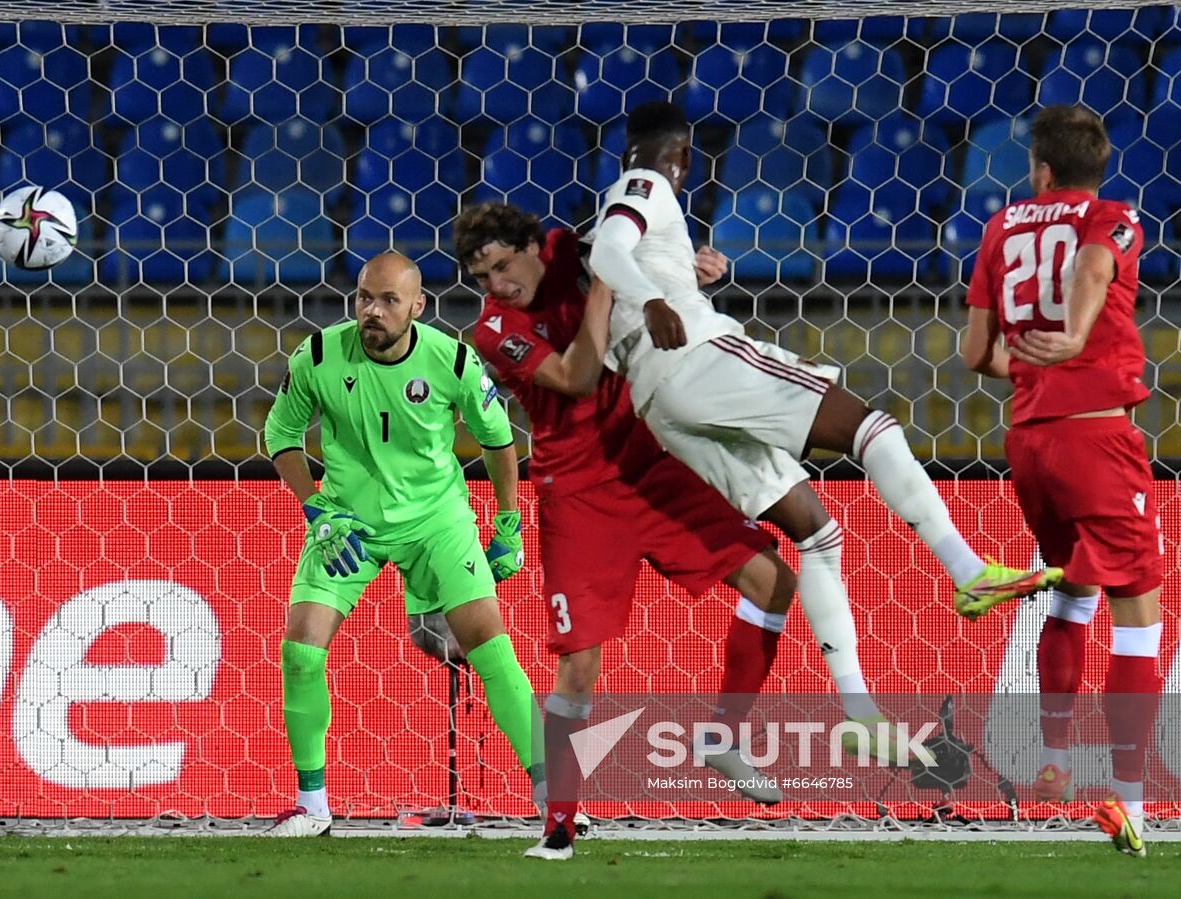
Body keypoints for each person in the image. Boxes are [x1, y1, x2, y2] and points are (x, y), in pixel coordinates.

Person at [585, 100, 1060, 626]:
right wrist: (656, 299)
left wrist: (679, 279)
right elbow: (608, 251)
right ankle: (967, 570)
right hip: (698, 360)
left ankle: (859, 706)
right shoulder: (645, 184)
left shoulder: (617, 204)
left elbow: (609, 286)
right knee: (873, 429)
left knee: (818, 536)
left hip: (658, 404)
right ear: (685, 154)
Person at [456, 203, 797, 860]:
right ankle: (558, 824)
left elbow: (642, 246)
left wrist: (683, 275)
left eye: (503, 265)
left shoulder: (569, 247)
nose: (497, 284)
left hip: (650, 463)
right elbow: (577, 375)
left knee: (772, 580)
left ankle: (723, 738)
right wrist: (613, 281)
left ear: (533, 244)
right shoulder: (495, 330)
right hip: (578, 492)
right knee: (581, 665)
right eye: (483, 276)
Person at [261, 252, 539, 836]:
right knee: (300, 651)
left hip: (436, 522)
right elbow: (280, 434)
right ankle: (312, 808)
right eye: (365, 297)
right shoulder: (316, 356)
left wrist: (508, 523)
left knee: (489, 645)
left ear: (418, 306)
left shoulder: (453, 361)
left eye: (389, 300)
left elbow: (497, 440)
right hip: (347, 525)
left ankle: (558, 797)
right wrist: (316, 509)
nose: (372, 311)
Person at [961, 104, 1162, 858]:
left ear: (1040, 169)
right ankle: (1134, 801)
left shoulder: (998, 228)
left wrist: (1037, 365)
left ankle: (1052, 756)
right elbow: (1093, 262)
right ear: (1096, 165)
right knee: (1140, 612)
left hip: (1029, 443)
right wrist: (1075, 339)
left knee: (1073, 593)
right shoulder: (1114, 217)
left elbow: (975, 352)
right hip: (1096, 439)